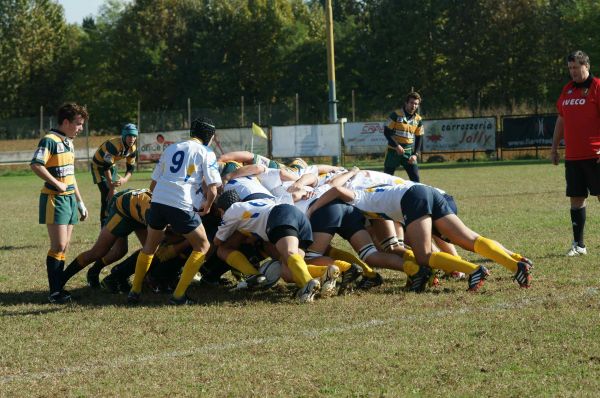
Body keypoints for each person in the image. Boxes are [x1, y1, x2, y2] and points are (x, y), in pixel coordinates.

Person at [306, 181, 533, 292]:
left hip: (413, 197)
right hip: (426, 191)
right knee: (469, 239)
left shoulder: (358, 196)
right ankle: (516, 266)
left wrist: (314, 209)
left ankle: (474, 270)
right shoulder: (375, 196)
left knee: (424, 256)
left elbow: (336, 190)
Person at [127, 116, 222, 305]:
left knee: (149, 247)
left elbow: (153, 183)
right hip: (181, 203)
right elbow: (213, 188)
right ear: (210, 135)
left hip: (158, 201)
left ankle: (135, 290)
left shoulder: (171, 148)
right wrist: (208, 207)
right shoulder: (206, 152)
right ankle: (178, 296)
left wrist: (160, 204)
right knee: (203, 246)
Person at [30, 103, 89, 304]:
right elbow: (36, 164)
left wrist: (80, 202)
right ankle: (54, 292)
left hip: (70, 199)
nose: (81, 128)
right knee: (59, 245)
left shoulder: (68, 141)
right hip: (54, 198)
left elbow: (70, 176)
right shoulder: (50, 140)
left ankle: (58, 289)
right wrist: (57, 184)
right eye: (78, 124)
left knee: (64, 247)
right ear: (66, 122)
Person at [551, 50, 600, 257]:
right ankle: (579, 245)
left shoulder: (597, 87)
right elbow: (561, 119)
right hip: (573, 156)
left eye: (576, 67)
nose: (572, 72)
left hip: (595, 154)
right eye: (570, 68)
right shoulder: (568, 90)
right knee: (576, 199)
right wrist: (554, 147)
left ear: (586, 66)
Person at [91, 123, 138, 224]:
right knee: (107, 195)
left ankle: (112, 221)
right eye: (129, 136)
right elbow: (105, 166)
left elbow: (130, 168)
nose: (132, 139)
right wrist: (111, 188)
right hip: (98, 167)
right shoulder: (114, 145)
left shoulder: (133, 148)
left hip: (111, 166)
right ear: (124, 136)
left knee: (112, 195)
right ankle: (105, 224)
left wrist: (124, 179)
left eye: (134, 136)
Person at [383, 91, 424, 182]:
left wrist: (415, 154)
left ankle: (416, 196)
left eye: (416, 104)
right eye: (411, 103)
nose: (413, 106)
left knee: (416, 179)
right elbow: (386, 132)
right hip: (393, 151)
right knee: (386, 179)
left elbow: (419, 137)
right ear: (406, 103)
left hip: (409, 153)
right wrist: (396, 145)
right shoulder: (396, 115)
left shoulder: (418, 119)